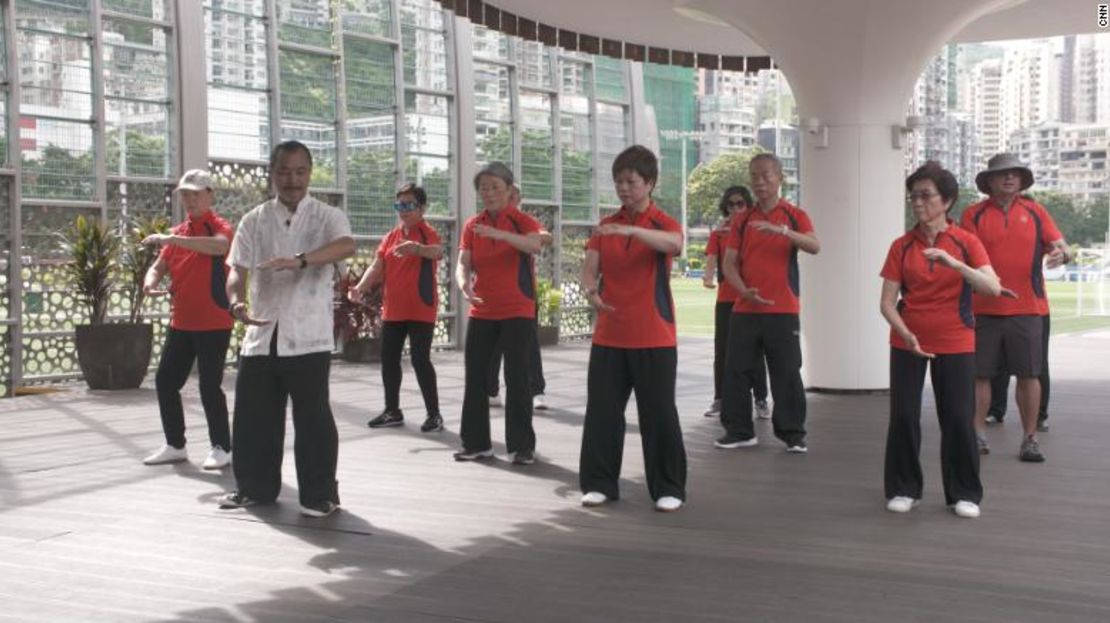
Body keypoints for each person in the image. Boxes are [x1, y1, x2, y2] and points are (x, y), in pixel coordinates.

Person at [219, 140, 356, 517]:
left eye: (299, 171)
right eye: (284, 171)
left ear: (309, 173)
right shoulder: (255, 218)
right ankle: (254, 489)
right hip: (261, 334)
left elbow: (346, 246)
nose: (292, 179)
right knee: (253, 418)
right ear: (272, 172)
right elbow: (237, 268)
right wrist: (236, 301)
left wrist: (300, 261)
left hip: (308, 335)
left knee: (313, 419)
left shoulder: (327, 216)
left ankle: (320, 495)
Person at [880, 162, 1003, 519]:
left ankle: (963, 493)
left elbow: (992, 288)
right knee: (903, 415)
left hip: (956, 339)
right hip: (908, 340)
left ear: (946, 200)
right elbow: (887, 303)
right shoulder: (901, 246)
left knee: (958, 417)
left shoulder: (966, 242)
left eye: (925, 195)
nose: (917, 203)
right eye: (913, 196)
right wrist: (907, 334)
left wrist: (954, 264)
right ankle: (904, 488)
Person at [578, 145, 687, 512]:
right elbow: (590, 268)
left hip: (654, 335)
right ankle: (599, 483)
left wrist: (633, 231)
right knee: (603, 412)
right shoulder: (606, 226)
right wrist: (591, 290)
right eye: (619, 181)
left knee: (658, 413)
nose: (624, 188)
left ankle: (668, 487)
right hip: (609, 334)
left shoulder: (663, 223)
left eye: (631, 181)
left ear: (650, 183)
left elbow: (675, 245)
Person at [960, 153, 1070, 462]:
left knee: (1028, 375)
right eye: (1002, 173)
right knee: (979, 376)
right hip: (982, 308)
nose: (1010, 178)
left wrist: (1063, 254)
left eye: (1015, 174)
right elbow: (966, 256)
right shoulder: (973, 214)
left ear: (1022, 180)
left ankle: (1030, 438)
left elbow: (1061, 246)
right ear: (989, 181)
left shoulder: (1036, 212)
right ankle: (977, 434)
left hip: (1028, 308)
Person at [715, 153, 820, 453]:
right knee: (736, 370)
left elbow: (815, 245)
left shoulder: (794, 215)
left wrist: (783, 232)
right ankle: (738, 431)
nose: (759, 182)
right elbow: (730, 264)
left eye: (765, 175)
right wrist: (744, 291)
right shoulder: (742, 219)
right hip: (745, 309)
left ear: (779, 178)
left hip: (783, 309)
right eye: (754, 176)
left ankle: (792, 434)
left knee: (786, 372)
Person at [140, 169, 235, 470]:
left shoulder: (219, 227)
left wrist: (172, 239)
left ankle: (222, 447)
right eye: (185, 194)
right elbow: (160, 265)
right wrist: (150, 281)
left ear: (210, 195)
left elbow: (219, 246)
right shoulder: (178, 233)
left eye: (196, 193)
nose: (190, 199)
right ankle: (175, 444)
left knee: (210, 386)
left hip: (214, 322)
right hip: (181, 322)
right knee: (166, 381)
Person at [453, 162, 543, 464]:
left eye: (495, 187)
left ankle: (521, 446)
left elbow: (534, 246)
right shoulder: (472, 225)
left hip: (518, 309)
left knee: (517, 377)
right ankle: (477, 443)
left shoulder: (523, 221)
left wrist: (499, 234)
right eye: (484, 188)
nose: (489, 193)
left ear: (508, 190)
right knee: (476, 377)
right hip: (483, 310)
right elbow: (463, 262)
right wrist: (464, 285)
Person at [351, 183, 444, 433]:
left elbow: (437, 252)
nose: (403, 210)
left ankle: (434, 415)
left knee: (420, 359)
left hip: (421, 309)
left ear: (422, 208)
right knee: (389, 359)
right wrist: (360, 287)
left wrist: (417, 249)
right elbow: (377, 266)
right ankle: (392, 410)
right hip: (394, 310)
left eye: (409, 205)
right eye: (399, 205)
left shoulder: (427, 233)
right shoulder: (391, 236)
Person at [702, 185, 769, 420]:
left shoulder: (753, 231)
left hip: (750, 298)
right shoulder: (718, 234)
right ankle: (720, 398)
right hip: (726, 299)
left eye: (740, 203)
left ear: (747, 205)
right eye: (731, 204)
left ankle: (761, 398)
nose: (735, 208)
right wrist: (707, 277)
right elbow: (711, 258)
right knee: (722, 351)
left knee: (755, 352)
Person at [486, 184, 553, 411]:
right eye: (507, 195)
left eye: (514, 196)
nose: (510, 199)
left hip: (523, 295)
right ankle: (491, 391)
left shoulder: (525, 222)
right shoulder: (487, 222)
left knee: (529, 344)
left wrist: (520, 236)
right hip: (494, 296)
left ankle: (537, 391)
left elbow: (546, 236)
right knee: (493, 345)